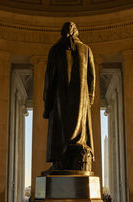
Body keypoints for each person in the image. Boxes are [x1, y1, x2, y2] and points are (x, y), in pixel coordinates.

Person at [43, 22, 95, 173]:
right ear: (76, 32)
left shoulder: (55, 50)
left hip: (61, 99)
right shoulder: (86, 49)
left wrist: (47, 106)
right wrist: (89, 99)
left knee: (60, 130)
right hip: (81, 100)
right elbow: (92, 78)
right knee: (79, 129)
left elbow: (49, 80)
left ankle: (61, 156)